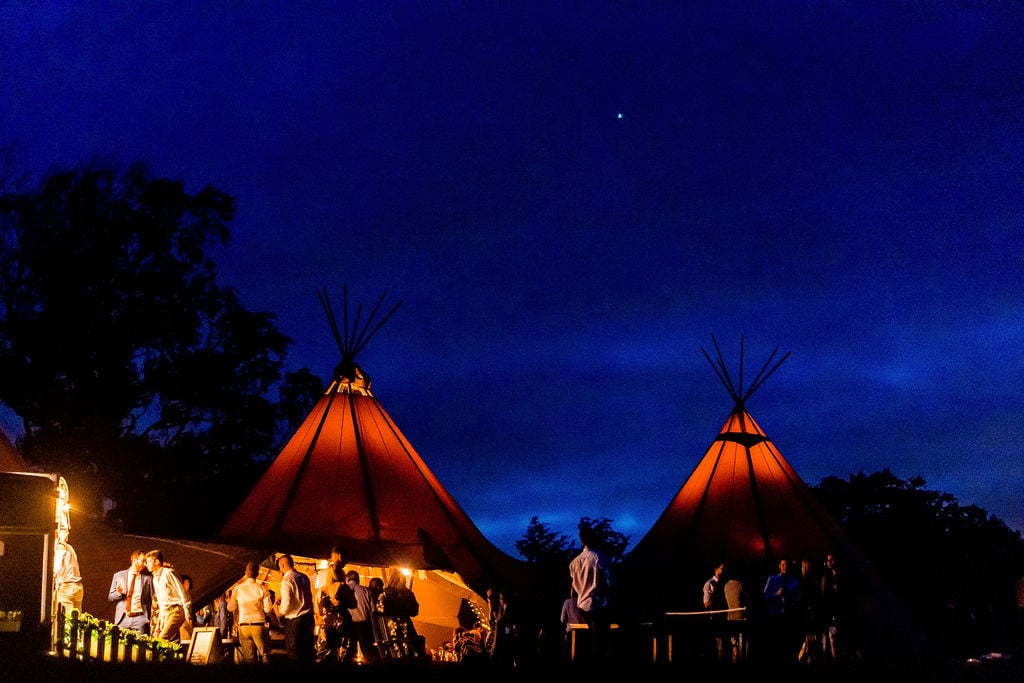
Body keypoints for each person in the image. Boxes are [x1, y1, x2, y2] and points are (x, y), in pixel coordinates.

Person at [569, 526, 613, 664]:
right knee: (600, 642)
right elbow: (610, 581)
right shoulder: (599, 557)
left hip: (582, 605)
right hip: (597, 604)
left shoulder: (574, 563)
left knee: (591, 639)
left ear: (582, 541)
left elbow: (575, 585)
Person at [227, 561, 273, 664]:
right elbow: (268, 609)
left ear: (245, 573)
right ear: (257, 573)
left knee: (249, 659)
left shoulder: (237, 589)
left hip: (243, 626)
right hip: (259, 625)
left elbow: (231, 608)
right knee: (265, 656)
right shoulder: (262, 588)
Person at [144, 549, 191, 643]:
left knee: (162, 639)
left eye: (149, 562)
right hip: (166, 613)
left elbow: (182, 592)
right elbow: (161, 602)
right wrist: (160, 620)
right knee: (172, 641)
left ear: (157, 561)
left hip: (176, 610)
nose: (147, 564)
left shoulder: (168, 573)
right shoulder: (155, 578)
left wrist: (187, 610)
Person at [276, 553, 314, 662]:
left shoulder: (287, 580)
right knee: (307, 654)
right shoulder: (304, 577)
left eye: (280, 567)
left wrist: (279, 610)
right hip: (308, 619)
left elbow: (286, 605)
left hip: (295, 622)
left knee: (295, 655)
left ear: (283, 565)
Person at [108, 549, 153, 634]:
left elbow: (152, 600)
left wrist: (148, 619)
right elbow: (110, 597)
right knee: (121, 645)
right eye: (143, 561)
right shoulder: (119, 576)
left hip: (141, 619)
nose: (145, 564)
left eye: (146, 562)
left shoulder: (147, 579)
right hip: (123, 619)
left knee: (141, 646)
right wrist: (118, 593)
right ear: (134, 560)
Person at [343, 569, 379, 664]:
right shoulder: (366, 591)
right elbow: (373, 610)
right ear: (358, 579)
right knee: (368, 651)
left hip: (350, 624)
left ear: (348, 579)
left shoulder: (343, 591)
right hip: (364, 624)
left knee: (350, 651)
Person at [53, 528, 84, 617]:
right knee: (77, 620)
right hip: (77, 586)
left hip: (66, 588)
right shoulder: (70, 547)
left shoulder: (60, 549)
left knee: (67, 620)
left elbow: (56, 569)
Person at [702, 561, 728, 660]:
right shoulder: (709, 583)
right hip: (715, 619)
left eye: (724, 569)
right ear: (716, 569)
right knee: (717, 644)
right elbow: (706, 603)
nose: (724, 571)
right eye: (722, 568)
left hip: (726, 618)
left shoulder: (727, 583)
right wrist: (716, 599)